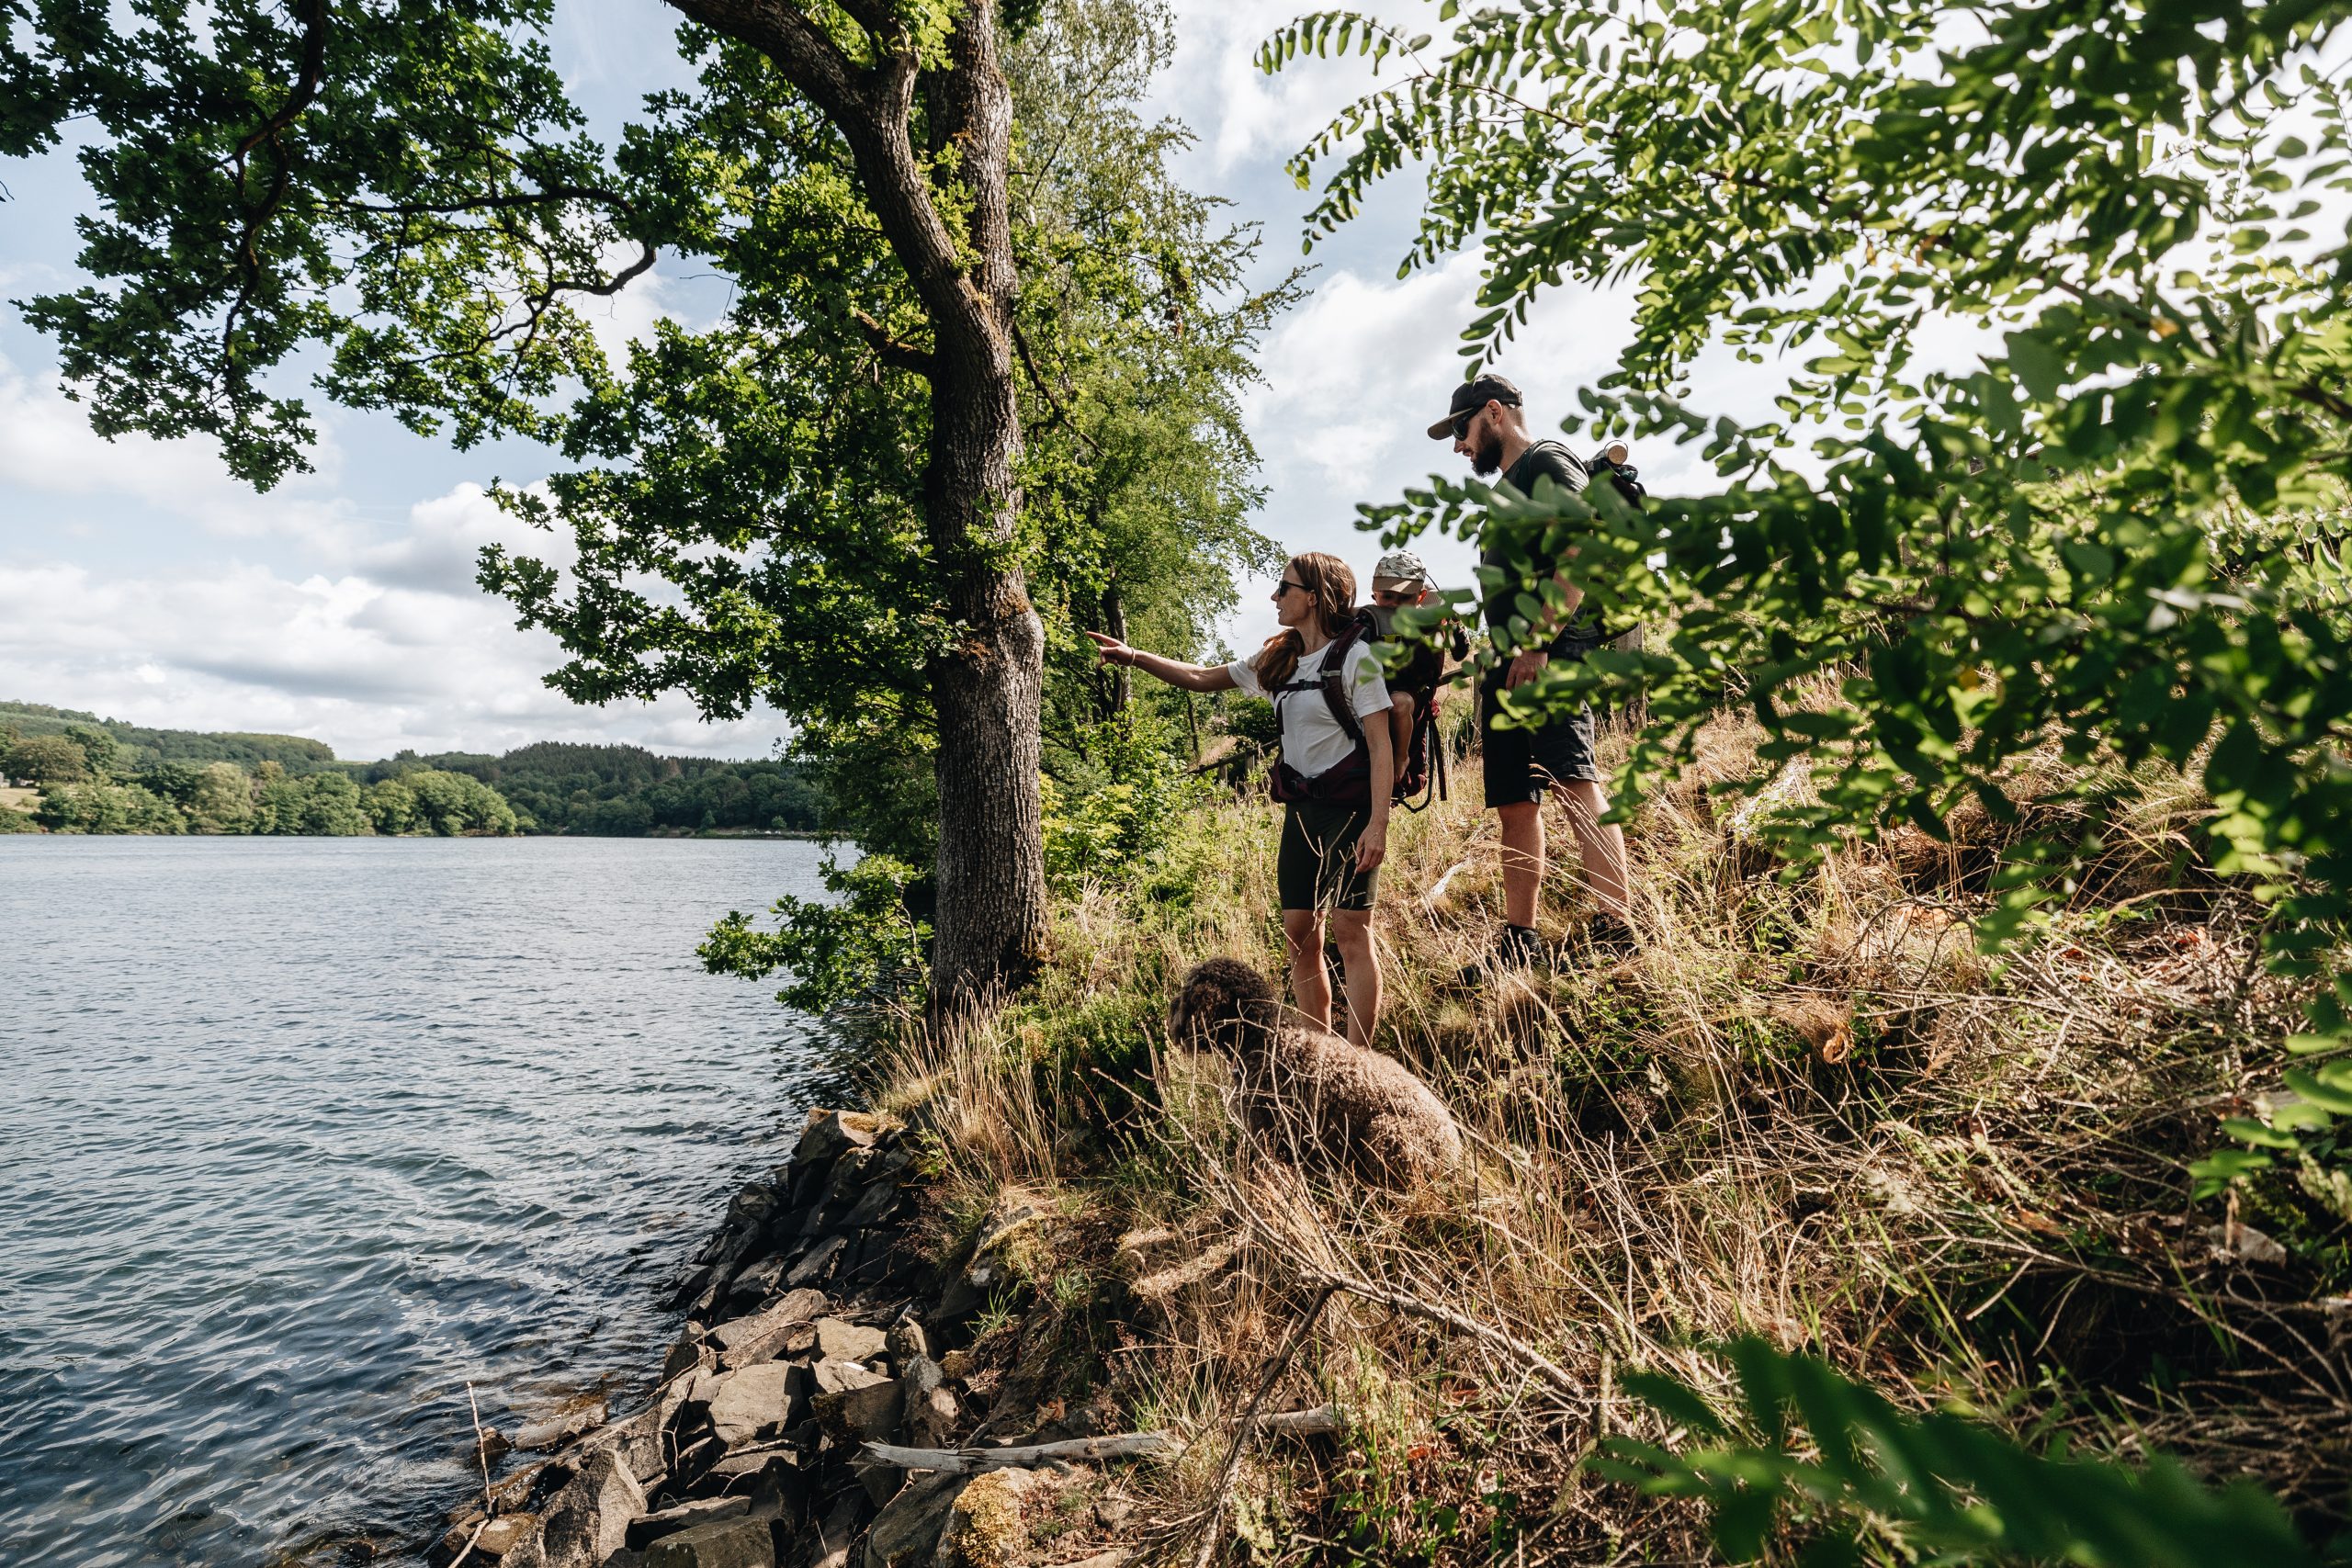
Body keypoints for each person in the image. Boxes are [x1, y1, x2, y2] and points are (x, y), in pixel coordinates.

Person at [1087, 552, 1396, 1046]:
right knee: (1299, 929)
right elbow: (1201, 676)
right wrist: (1133, 656)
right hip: (1301, 811)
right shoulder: (1279, 659)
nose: (1275, 596)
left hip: (1350, 810)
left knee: (1351, 929)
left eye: (1284, 587)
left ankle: (1361, 1061)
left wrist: (1377, 824)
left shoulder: (1357, 658)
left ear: (1314, 597)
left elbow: (1381, 746)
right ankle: (1319, 1054)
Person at [1428, 373, 1636, 969]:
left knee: (1574, 783)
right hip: (1508, 661)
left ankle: (1616, 932)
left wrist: (1539, 642)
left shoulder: (1547, 461)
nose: (1459, 446)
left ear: (1493, 412)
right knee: (1515, 804)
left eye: (1461, 430)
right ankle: (1520, 944)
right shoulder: (1506, 493)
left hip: (1548, 653)